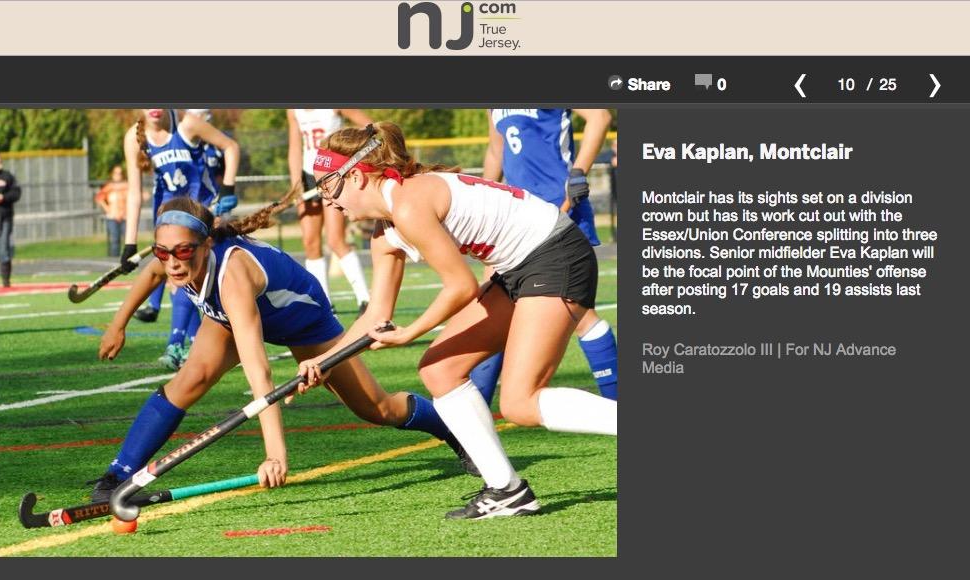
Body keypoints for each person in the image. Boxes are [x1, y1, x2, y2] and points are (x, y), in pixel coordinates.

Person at [298, 123, 617, 520]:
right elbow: (376, 315)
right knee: (440, 370)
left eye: (329, 185)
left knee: (520, 402)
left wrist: (411, 333)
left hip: (555, 255)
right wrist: (325, 361)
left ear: (358, 176)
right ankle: (508, 491)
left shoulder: (409, 205)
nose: (327, 201)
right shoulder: (384, 233)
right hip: (520, 267)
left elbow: (461, 286)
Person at [89, 194, 476, 502]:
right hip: (233, 316)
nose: (172, 262)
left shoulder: (232, 275)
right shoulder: (174, 256)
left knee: (377, 408)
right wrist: (118, 325)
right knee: (190, 380)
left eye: (182, 252)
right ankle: (119, 475)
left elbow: (259, 372)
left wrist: (275, 455)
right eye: (163, 252)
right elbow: (151, 274)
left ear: (206, 244)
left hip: (302, 321)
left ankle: (454, 430)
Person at [470, 109, 618, 401]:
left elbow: (599, 117)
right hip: (512, 216)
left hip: (558, 209)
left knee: (580, 316)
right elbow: (496, 149)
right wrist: (482, 199)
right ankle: (471, 413)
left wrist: (578, 174)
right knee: (491, 305)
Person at [120, 108, 241, 370]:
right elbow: (134, 192)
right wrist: (129, 243)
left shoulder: (187, 124)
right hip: (167, 218)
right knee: (180, 282)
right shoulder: (133, 137)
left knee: (189, 279)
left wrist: (228, 189)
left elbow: (231, 147)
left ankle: (178, 345)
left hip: (201, 213)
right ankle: (189, 346)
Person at [287, 109, 373, 314]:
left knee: (335, 240)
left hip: (332, 173)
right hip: (308, 176)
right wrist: (296, 183)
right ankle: (325, 304)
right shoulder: (293, 110)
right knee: (310, 242)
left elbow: (371, 128)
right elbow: (295, 146)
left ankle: (365, 300)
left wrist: (347, 159)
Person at [0, 153, 22, 288]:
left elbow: (16, 193)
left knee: (3, 249)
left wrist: (3, 198)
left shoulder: (7, 176)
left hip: (4, 217)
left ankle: (6, 282)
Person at [94, 165, 129, 257]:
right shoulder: (109, 187)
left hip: (125, 217)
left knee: (128, 240)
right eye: (116, 173)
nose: (118, 175)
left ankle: (127, 259)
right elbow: (99, 197)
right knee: (114, 240)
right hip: (112, 217)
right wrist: (107, 208)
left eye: (120, 173)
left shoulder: (127, 186)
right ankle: (114, 259)